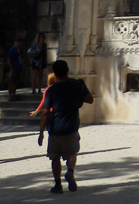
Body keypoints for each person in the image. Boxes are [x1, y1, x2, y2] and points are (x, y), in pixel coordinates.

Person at [39, 59, 94, 194]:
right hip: (71, 126)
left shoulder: (51, 90)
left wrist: (41, 132)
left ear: (55, 74)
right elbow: (90, 99)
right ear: (68, 70)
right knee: (72, 152)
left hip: (55, 128)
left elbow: (45, 113)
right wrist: (78, 97)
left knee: (55, 157)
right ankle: (70, 171)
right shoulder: (77, 84)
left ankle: (58, 184)